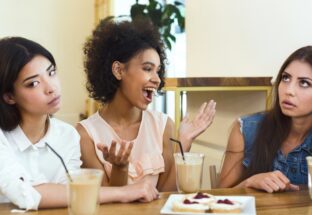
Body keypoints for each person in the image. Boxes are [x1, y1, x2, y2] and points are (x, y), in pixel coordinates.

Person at [0, 37, 159, 210]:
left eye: (51, 73)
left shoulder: (68, 135)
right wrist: (125, 192)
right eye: (34, 83)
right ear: (9, 96)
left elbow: (69, 193)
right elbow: (26, 194)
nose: (51, 88)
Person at [76, 17, 216, 191]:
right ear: (119, 70)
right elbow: (108, 204)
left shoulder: (163, 126)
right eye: (147, 69)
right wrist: (120, 168)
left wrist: (184, 143)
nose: (157, 80)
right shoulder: (85, 135)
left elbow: (165, 194)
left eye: (158, 71)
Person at [219, 46, 312, 193]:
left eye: (304, 83)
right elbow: (220, 193)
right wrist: (250, 182)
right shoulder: (247, 129)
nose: (288, 90)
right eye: (286, 78)